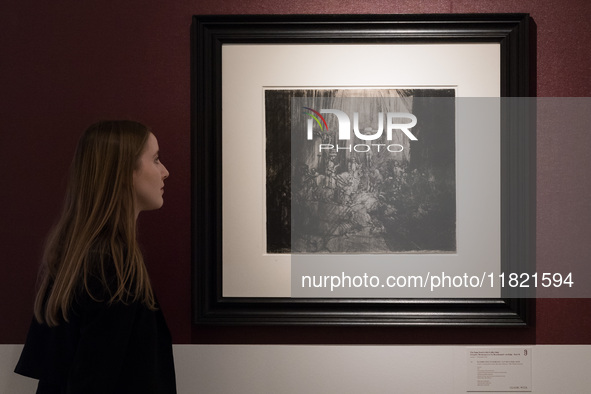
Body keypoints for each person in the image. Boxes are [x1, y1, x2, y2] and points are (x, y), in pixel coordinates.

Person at [14, 120, 176, 393]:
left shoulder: (80, 256)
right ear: (124, 172)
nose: (165, 172)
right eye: (156, 159)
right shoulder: (111, 264)